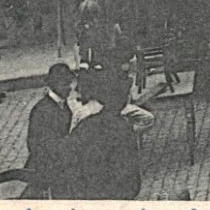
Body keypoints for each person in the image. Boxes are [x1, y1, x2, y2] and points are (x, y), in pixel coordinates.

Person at [59, 69, 142, 199]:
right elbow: (131, 175)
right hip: (119, 193)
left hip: (92, 195)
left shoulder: (83, 126)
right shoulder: (121, 125)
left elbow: (71, 158)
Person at [24, 62, 76, 198]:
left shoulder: (61, 104)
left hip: (59, 160)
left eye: (69, 83)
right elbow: (39, 146)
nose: (69, 88)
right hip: (45, 166)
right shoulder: (43, 110)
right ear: (54, 85)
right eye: (65, 84)